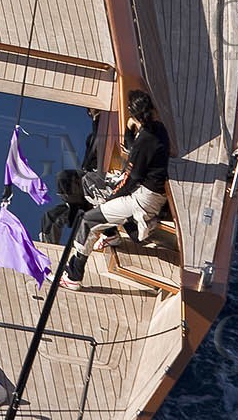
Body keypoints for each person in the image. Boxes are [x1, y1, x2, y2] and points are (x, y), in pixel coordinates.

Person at [62, 90, 170, 288]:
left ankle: (73, 276)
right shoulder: (158, 129)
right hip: (146, 190)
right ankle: (111, 235)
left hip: (143, 199)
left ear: (132, 112)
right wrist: (130, 129)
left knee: (89, 220)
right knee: (90, 181)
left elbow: (131, 179)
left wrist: (112, 197)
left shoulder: (146, 139)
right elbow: (132, 151)